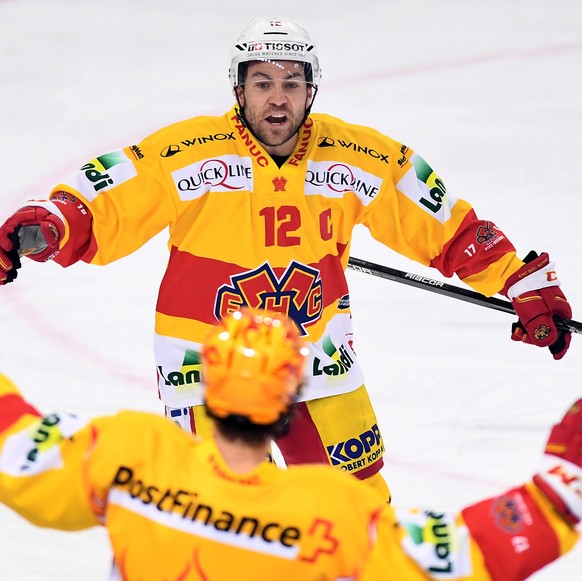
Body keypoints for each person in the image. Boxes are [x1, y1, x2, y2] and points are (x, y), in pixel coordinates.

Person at [0, 18, 573, 502]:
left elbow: (444, 221)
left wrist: (517, 277)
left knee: (359, 508)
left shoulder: (356, 155)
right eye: (263, 82)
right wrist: (55, 220)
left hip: (318, 360)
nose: (278, 97)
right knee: (225, 514)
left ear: (311, 90)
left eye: (292, 83)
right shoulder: (187, 153)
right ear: (239, 89)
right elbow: (110, 195)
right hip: (205, 368)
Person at [0, 307, 580, 580]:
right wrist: (563, 486)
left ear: (205, 382)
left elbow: (17, 444)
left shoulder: (129, 451)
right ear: (289, 403)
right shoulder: (328, 507)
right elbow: (469, 553)